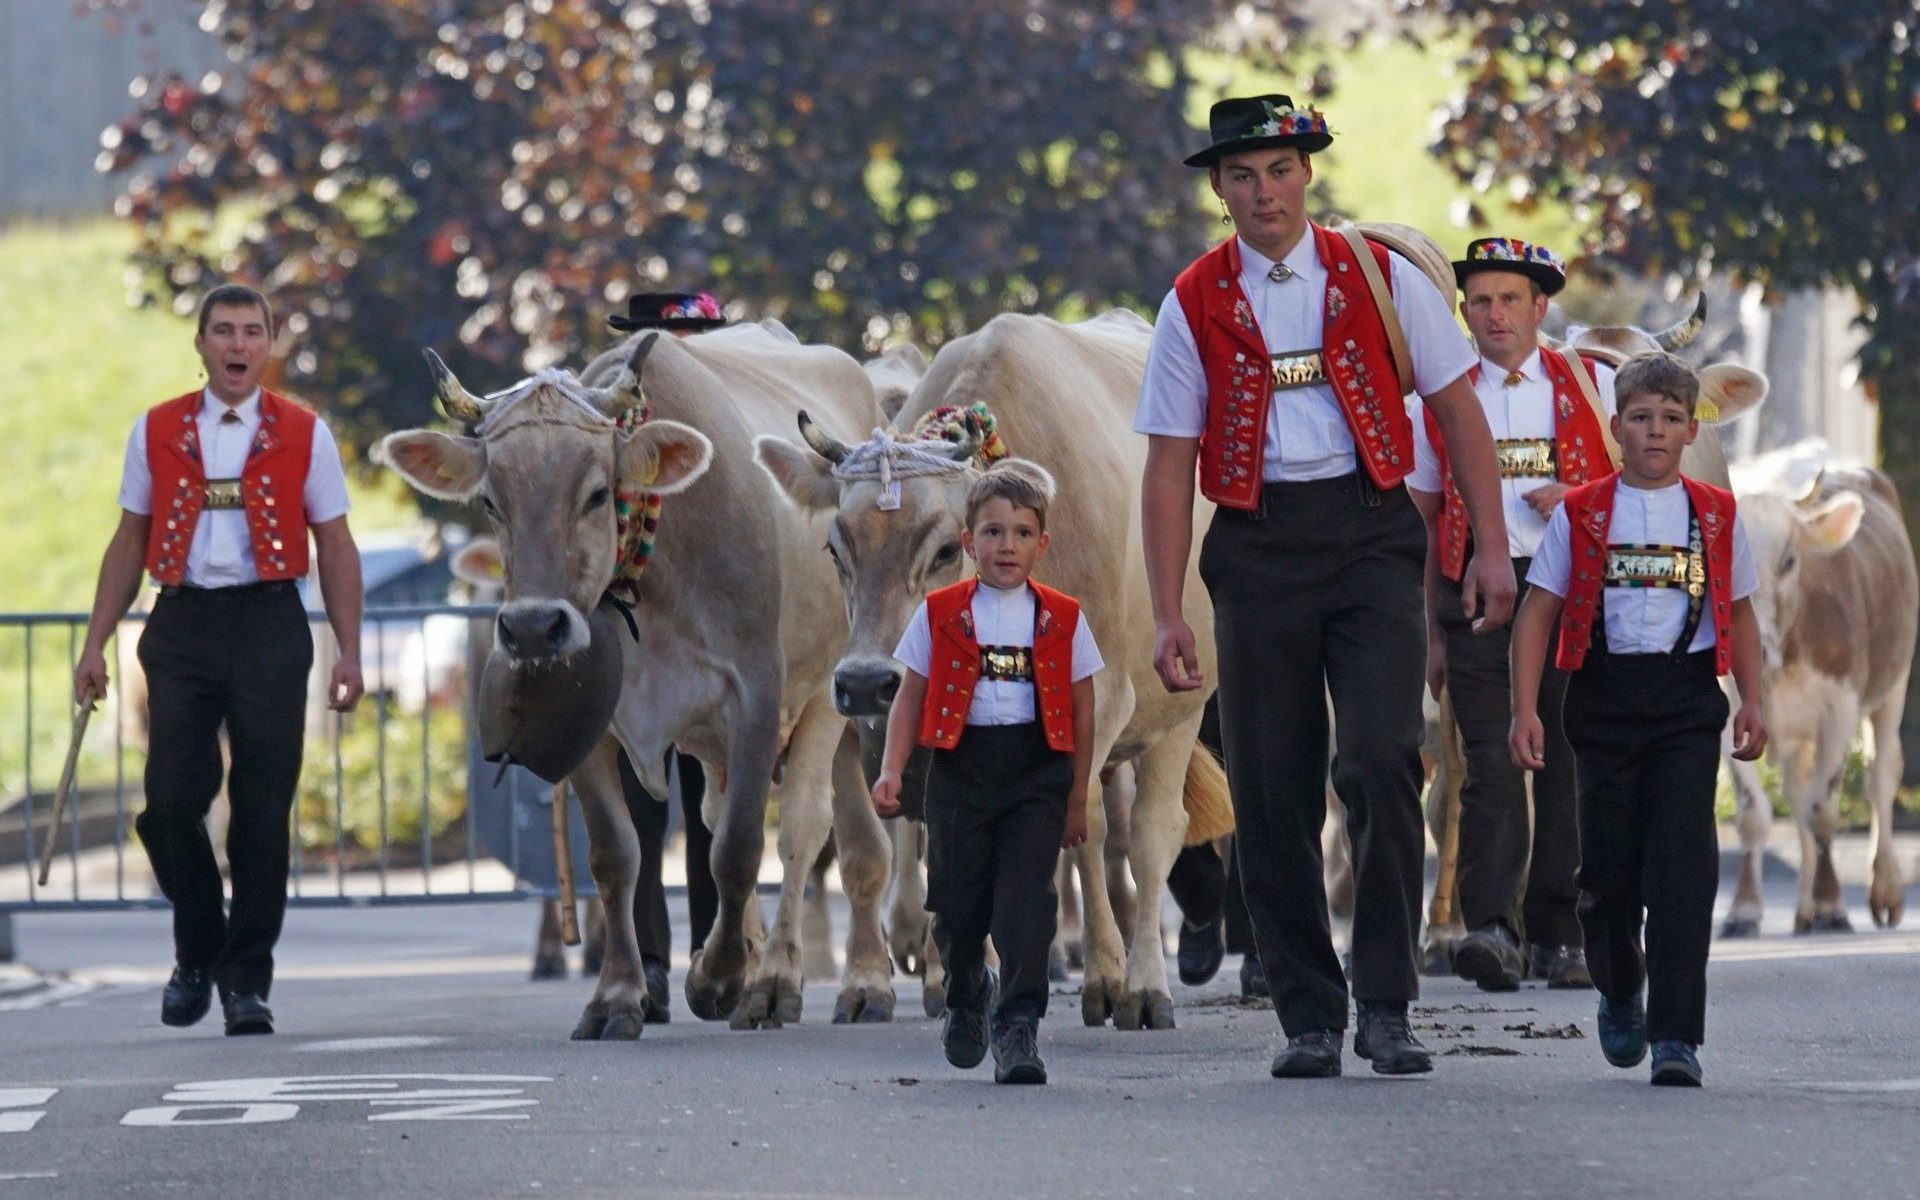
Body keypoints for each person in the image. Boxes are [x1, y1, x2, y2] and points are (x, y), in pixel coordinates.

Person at [1136, 94, 1517, 1078]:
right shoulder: (1191, 300)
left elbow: (1458, 411)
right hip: (1256, 549)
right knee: (1270, 788)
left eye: (1279, 170)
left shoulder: (1381, 276)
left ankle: (1385, 1004)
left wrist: (1489, 549)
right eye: (1243, 176)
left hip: (1370, 538)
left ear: (1308, 174)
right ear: (1219, 190)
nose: (1264, 192)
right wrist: (1169, 606)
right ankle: (1309, 1012)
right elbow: (1169, 463)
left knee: (1385, 760)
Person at [72, 283, 364, 1036]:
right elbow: (130, 537)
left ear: (269, 346)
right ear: (201, 345)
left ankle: (243, 981)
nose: (238, 346)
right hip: (183, 623)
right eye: (224, 332)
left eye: (252, 333)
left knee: (262, 812)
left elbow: (334, 543)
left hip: (270, 624)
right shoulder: (158, 428)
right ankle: (198, 946)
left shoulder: (306, 432)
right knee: (170, 801)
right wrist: (95, 642)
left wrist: (350, 650)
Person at [1509, 350, 1768, 1087]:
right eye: (1642, 419)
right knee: (1609, 877)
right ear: (1617, 426)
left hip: (1687, 703)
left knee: (1685, 873)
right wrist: (1524, 708)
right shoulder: (1582, 511)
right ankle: (1620, 984)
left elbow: (1742, 611)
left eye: (1672, 420)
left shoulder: (1718, 515)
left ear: (1692, 431)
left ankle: (1677, 1037)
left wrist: (1752, 698)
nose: (1656, 432)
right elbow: (1537, 615)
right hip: (1605, 700)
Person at [1408, 237, 1616, 992]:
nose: (1495, 315)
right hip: (1474, 594)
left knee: (1566, 760)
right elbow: (1426, 521)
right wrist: (1430, 629)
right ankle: (1491, 926)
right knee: (1490, 764)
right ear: (1464, 311)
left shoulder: (1593, 386)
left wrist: (1580, 499)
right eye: (1482, 301)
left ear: (1542, 308)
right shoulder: (1437, 395)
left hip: (1572, 595)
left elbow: (1642, 490)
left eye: (1511, 299)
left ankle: (1559, 933)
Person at [871, 460, 1102, 1085]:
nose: (1008, 546)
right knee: (958, 908)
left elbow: (1083, 709)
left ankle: (1018, 1028)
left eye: (1023, 533)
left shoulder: (1064, 617)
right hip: (960, 771)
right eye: (994, 533)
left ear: (1042, 545)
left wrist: (1078, 796)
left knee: (1027, 907)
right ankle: (968, 992)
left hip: (1036, 773)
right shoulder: (939, 611)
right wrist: (893, 770)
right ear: (970, 543)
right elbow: (910, 696)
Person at [598, 289, 730, 1018]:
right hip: (635, 628)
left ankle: (715, 948)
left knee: (710, 797)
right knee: (638, 804)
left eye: (696, 334)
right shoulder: (607, 417)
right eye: (668, 336)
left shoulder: (734, 423)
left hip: (708, 636)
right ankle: (648, 961)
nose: (683, 349)